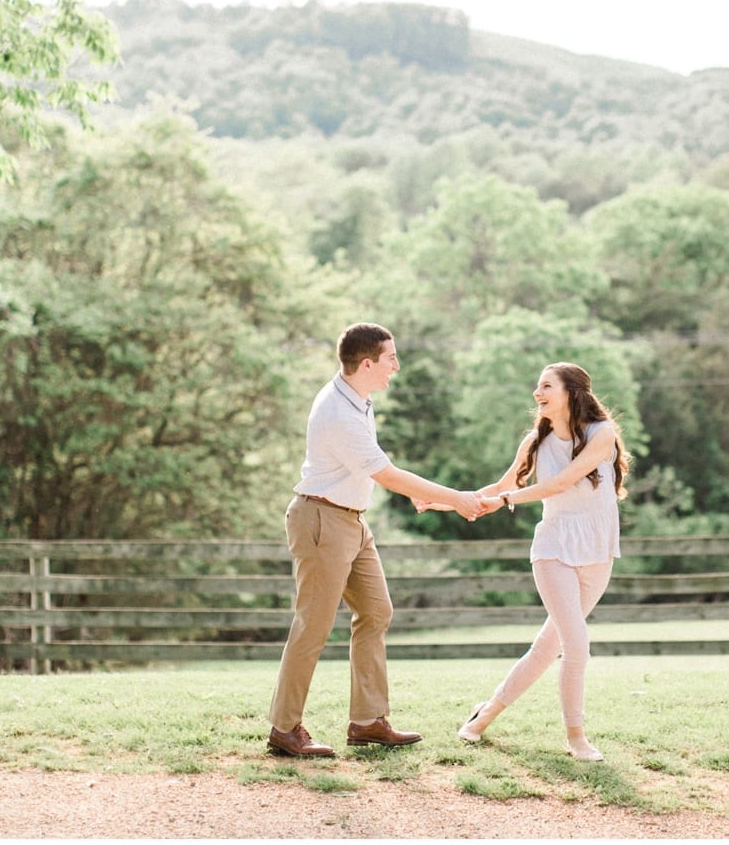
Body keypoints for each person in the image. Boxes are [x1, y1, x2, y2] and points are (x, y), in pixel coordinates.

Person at [266, 322, 484, 759]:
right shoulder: (338, 412)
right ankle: (284, 729)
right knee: (313, 626)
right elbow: (384, 473)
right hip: (322, 520)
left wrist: (421, 494)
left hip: (351, 521)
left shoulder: (359, 400)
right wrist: (455, 499)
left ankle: (367, 721)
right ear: (367, 364)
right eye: (391, 359)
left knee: (376, 611)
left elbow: (372, 468)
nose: (396, 367)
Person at [457, 362, 629, 762]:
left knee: (546, 647)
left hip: (597, 550)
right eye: (537, 386)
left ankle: (482, 717)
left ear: (571, 392)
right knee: (576, 644)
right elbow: (504, 487)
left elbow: (561, 481)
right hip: (553, 548)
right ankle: (576, 738)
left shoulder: (602, 435)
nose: (538, 393)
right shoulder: (536, 440)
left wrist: (504, 500)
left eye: (546, 386)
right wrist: (450, 501)